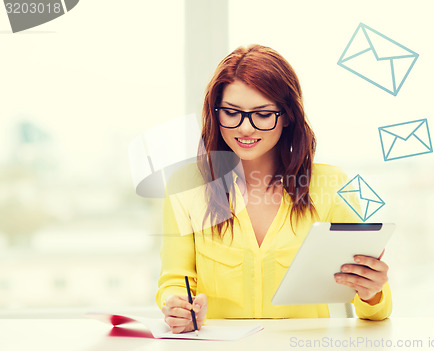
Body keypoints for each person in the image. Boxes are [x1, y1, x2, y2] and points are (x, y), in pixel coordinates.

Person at [156, 44, 391, 334]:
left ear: (287, 116)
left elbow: (375, 312)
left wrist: (373, 293)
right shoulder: (187, 185)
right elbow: (174, 280)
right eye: (231, 112)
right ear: (215, 114)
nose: (245, 128)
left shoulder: (331, 186)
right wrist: (178, 305)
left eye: (263, 114)